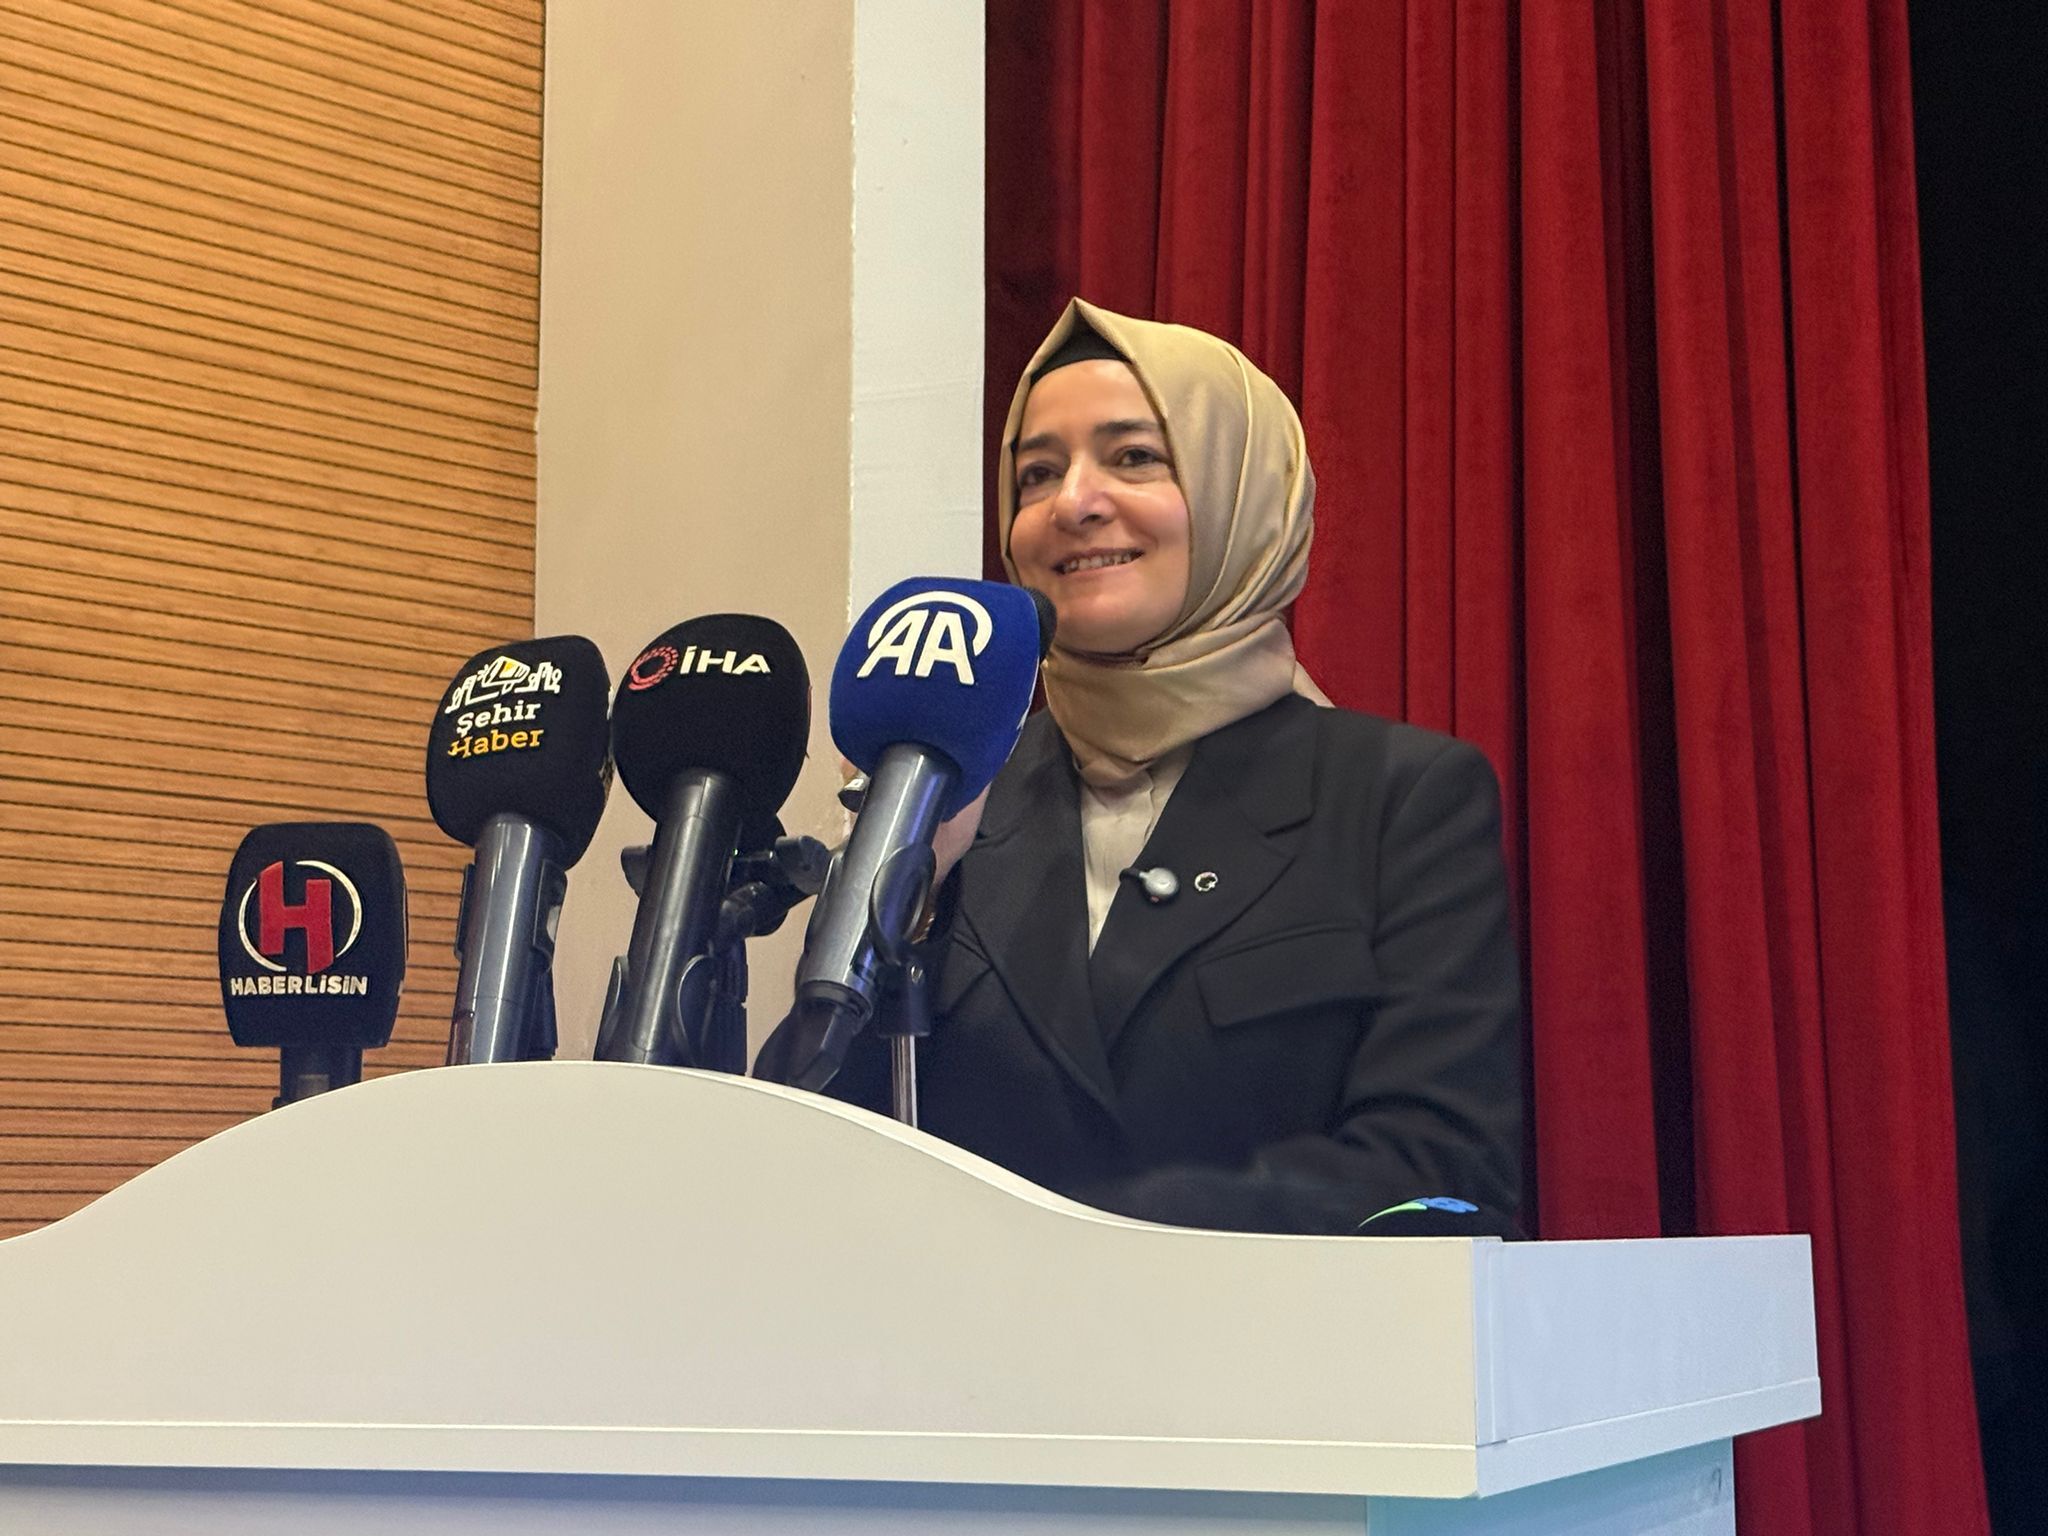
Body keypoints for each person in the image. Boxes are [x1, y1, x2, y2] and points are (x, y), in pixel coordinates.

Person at [764, 298, 1523, 1235]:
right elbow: (807, 1160)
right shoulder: (953, 785)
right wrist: (908, 897)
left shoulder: (1399, 798)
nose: (1073, 503)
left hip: (1265, 1329)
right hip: (955, 1330)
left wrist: (1074, 1246)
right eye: (1037, 473)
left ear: (1245, 494)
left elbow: (1443, 1175)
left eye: (1132, 457)